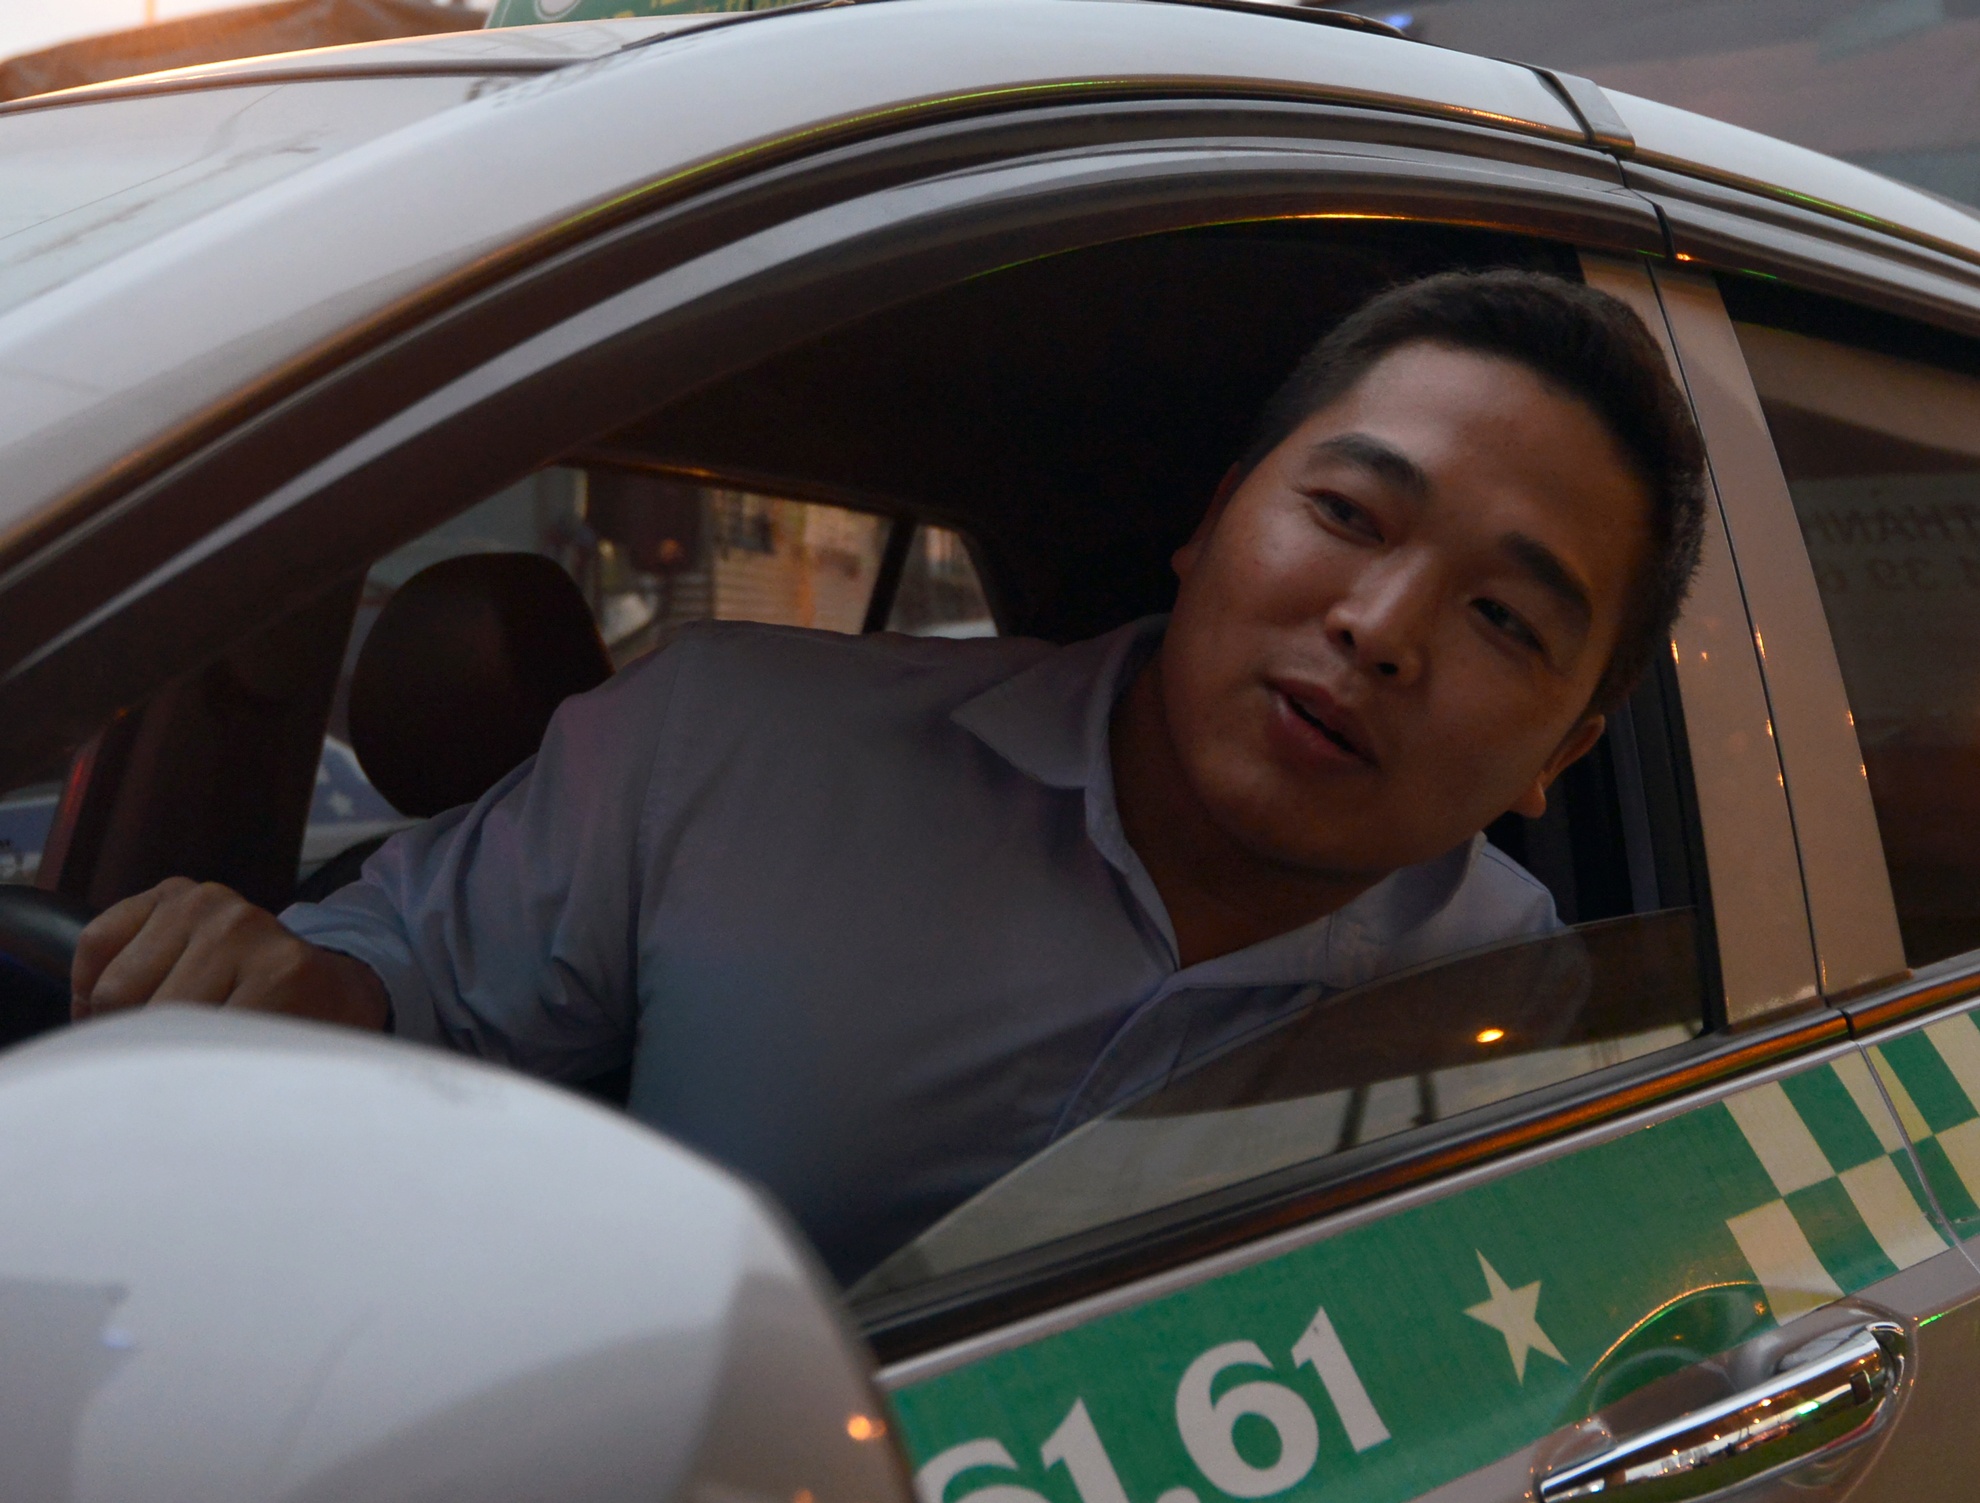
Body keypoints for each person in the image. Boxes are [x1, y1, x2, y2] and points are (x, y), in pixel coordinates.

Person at [68, 269, 1706, 1281]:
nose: (1381, 628)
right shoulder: (729, 745)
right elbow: (399, 986)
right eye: (1346, 515)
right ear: (1214, 521)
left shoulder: (1555, 1024)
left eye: (1504, 618)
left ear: (1562, 753)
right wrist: (270, 983)